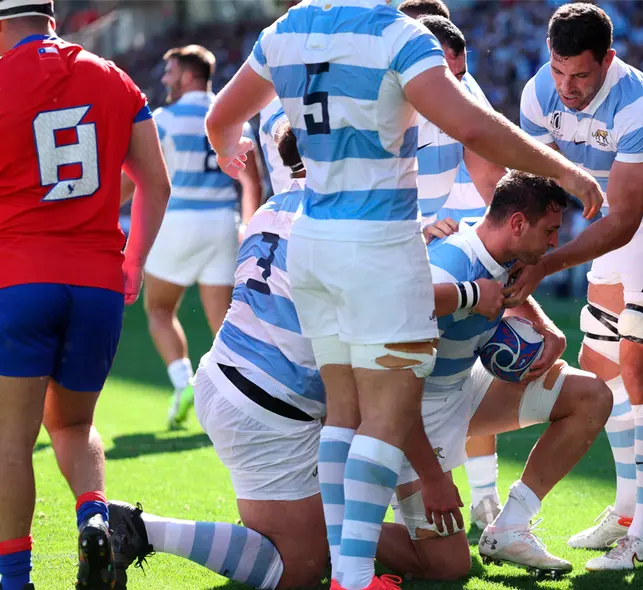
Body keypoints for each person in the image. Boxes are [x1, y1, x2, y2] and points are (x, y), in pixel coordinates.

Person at [204, 2, 602, 589]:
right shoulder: (396, 33)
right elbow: (473, 128)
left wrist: (225, 148)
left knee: (345, 414)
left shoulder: (288, 28)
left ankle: (348, 569)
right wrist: (564, 171)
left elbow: (221, 118)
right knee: (385, 418)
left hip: (313, 242)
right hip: (376, 242)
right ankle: (354, 576)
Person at [110, 124, 504, 589]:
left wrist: (412, 239)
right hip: (270, 409)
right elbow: (393, 295)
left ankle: (330, 548)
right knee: (299, 568)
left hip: (235, 380)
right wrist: (470, 293)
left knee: (321, 537)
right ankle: (140, 530)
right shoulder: (340, 219)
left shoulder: (275, 206)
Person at [508, 3, 643, 571]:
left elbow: (624, 222)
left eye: (580, 75)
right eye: (558, 71)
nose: (566, 87)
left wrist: (545, 265)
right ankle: (624, 513)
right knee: (599, 365)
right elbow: (537, 184)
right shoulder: (537, 94)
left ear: (608, 60)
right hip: (613, 219)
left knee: (641, 364)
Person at [0, 1, 171, 588]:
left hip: (19, 279)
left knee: (11, 441)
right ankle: (95, 521)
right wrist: (135, 260)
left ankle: (14, 580)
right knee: (73, 425)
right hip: (96, 283)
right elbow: (156, 182)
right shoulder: (113, 76)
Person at [375, 172, 612, 580]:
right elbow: (393, 384)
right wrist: (433, 479)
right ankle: (327, 527)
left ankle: (509, 528)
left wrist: (548, 330)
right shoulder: (450, 268)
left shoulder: (499, 249)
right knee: (447, 565)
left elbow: (510, 290)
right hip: (412, 410)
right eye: (550, 230)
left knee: (591, 396)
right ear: (518, 223)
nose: (555, 242)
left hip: (462, 388)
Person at [398, 0, 508, 538]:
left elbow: (491, 172)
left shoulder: (460, 88)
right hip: (412, 242)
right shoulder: (395, 92)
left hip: (460, 237)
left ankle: (485, 498)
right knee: (406, 376)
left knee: (465, 373)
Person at [126, 45, 261, 430]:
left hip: (178, 221)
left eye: (170, 72)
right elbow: (252, 182)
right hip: (222, 223)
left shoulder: (164, 118)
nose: (164, 78)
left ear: (187, 77)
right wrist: (248, 225)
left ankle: (183, 384)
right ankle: (238, 404)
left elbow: (139, 178)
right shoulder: (233, 114)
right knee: (225, 325)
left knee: (158, 310)